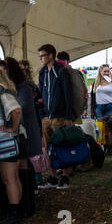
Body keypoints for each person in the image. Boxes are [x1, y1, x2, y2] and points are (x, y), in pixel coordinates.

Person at [0, 68, 27, 224]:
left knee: (9, 178)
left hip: (7, 140)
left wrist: (12, 128)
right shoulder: (4, 94)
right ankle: (16, 209)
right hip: (9, 140)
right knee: (12, 177)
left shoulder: (4, 95)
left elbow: (17, 111)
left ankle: (14, 213)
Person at [37, 44, 74, 190]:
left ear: (51, 55)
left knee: (62, 146)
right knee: (46, 148)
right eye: (39, 56)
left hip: (60, 116)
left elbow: (67, 94)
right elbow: (40, 95)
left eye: (43, 55)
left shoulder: (61, 70)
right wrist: (41, 114)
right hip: (46, 116)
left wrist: (68, 116)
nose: (40, 58)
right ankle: (52, 177)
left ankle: (64, 177)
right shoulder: (42, 73)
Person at [0, 58, 42, 171]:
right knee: (22, 162)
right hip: (20, 129)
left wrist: (7, 110)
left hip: (26, 129)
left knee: (23, 163)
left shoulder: (24, 86)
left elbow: (24, 107)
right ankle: (30, 186)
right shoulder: (12, 86)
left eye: (3, 71)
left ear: (10, 71)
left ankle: (29, 188)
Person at [90, 64, 112, 155]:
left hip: (110, 106)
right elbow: (92, 97)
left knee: (109, 129)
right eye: (105, 71)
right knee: (100, 128)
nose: (107, 73)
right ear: (100, 72)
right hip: (99, 107)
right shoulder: (96, 82)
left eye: (108, 71)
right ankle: (101, 148)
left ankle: (109, 148)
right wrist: (92, 110)